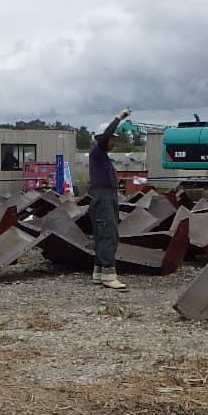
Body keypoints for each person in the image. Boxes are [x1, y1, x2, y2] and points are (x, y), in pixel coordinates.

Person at [89, 107, 132, 290]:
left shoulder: (101, 156)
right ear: (102, 139)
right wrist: (119, 118)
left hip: (103, 196)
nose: (113, 140)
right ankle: (108, 275)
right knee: (109, 234)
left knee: (101, 234)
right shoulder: (98, 152)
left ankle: (99, 273)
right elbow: (106, 135)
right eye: (112, 138)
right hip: (104, 197)